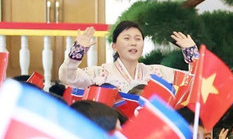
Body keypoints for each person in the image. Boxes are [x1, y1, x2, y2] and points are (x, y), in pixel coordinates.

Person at [58, 23, 198, 92]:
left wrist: (193, 55)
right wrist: (76, 53)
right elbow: (67, 77)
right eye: (127, 38)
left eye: (138, 39)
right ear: (114, 46)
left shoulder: (157, 72)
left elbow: (194, 82)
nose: (133, 43)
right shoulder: (101, 73)